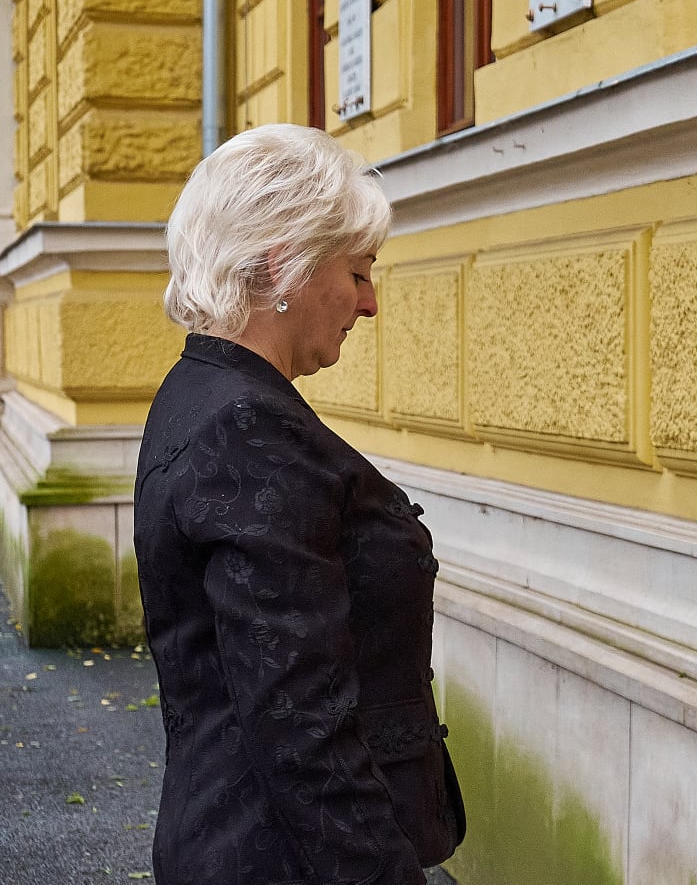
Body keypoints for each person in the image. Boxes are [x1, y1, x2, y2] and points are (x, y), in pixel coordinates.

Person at [134, 125, 463, 885]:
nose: (371, 302)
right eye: (358, 271)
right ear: (283, 261)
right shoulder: (246, 427)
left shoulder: (199, 390)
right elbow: (302, 728)